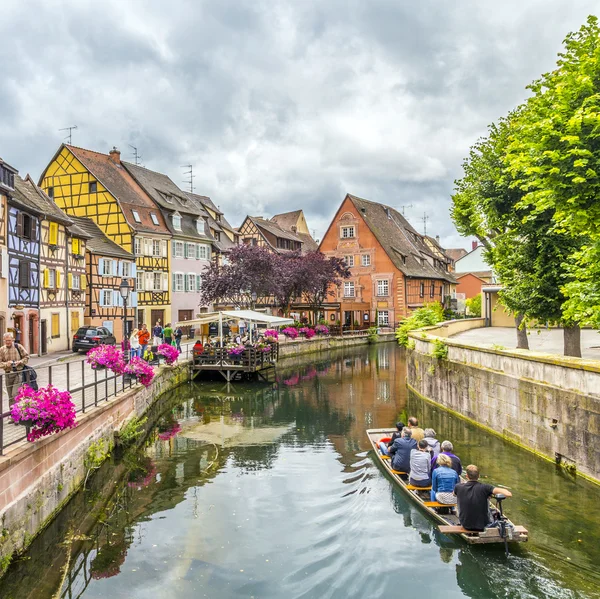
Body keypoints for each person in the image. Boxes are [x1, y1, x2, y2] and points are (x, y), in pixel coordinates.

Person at [454, 465, 512, 531]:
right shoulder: (486, 487)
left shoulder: (458, 487)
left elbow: (454, 494)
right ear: (478, 476)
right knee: (490, 509)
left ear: (466, 476)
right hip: (482, 526)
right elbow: (508, 494)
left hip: (465, 525)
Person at [0, 333, 29, 403]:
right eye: (6, 340)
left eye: (9, 340)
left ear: (13, 340)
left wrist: (20, 362)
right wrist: (7, 364)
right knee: (10, 397)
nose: (7, 342)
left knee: (14, 394)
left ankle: (17, 412)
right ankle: (12, 413)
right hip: (8, 375)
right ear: (4, 340)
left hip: (18, 374)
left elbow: (27, 357)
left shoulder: (18, 347)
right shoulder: (2, 349)